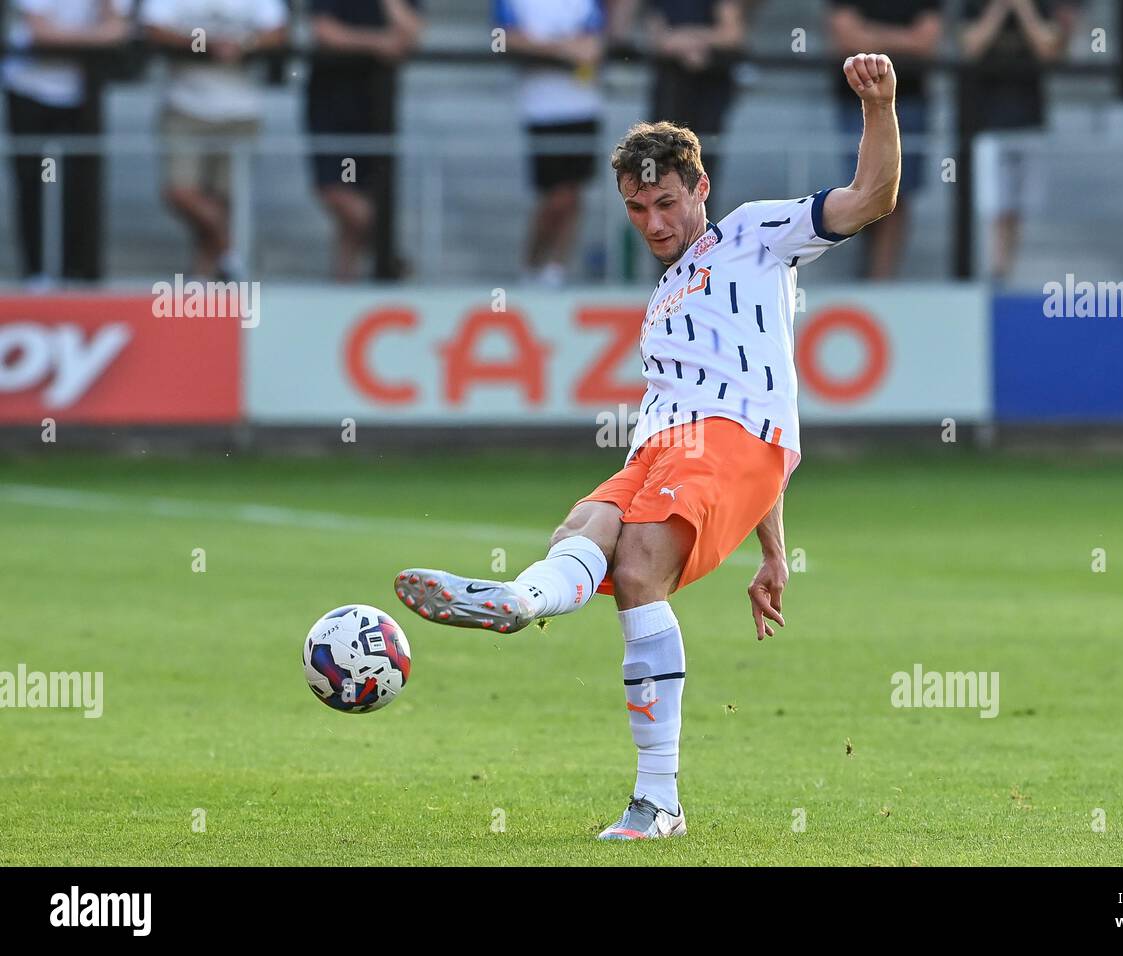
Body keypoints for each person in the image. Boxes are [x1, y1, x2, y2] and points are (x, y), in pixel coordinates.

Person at [393, 53, 899, 840]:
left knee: (637, 570)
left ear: (700, 187)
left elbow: (872, 197)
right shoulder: (664, 294)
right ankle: (518, 602)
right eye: (636, 208)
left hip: (728, 439)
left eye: (666, 201)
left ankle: (659, 801)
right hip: (661, 450)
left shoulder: (756, 234)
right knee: (582, 533)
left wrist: (880, 105)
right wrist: (773, 550)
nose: (654, 222)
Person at [141, 0, 288, 280]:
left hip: (240, 110)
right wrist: (204, 43)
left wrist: (243, 43)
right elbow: (152, 28)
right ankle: (233, 251)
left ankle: (203, 279)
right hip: (185, 105)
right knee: (180, 193)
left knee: (224, 200)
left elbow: (279, 32)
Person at [2, 0, 131, 286]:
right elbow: (39, 32)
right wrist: (89, 41)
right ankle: (38, 270)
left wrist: (75, 39)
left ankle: (82, 272)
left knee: (82, 182)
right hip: (30, 88)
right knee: (37, 179)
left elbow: (117, 29)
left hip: (80, 90)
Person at [960, 0, 1077, 282]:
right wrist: (999, 9)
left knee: (1021, 207)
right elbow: (971, 47)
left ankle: (1011, 272)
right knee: (994, 205)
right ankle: (995, 270)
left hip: (1030, 120)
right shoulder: (975, 5)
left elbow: (1049, 50)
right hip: (988, 122)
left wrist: (1023, 9)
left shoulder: (1040, 5)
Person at [306, 0, 423, 282]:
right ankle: (388, 253)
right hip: (332, 103)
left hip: (378, 108)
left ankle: (345, 286)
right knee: (338, 191)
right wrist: (378, 43)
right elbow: (324, 32)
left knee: (356, 214)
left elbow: (412, 34)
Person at [493, 0, 605, 287]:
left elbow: (594, 43)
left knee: (572, 194)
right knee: (554, 198)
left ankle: (555, 270)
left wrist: (542, 45)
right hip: (540, 107)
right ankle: (532, 266)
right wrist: (563, 50)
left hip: (582, 104)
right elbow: (504, 39)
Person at [826, 0, 940, 279]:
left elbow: (926, 41)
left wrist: (871, 42)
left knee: (895, 193)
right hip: (853, 99)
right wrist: (902, 41)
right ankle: (863, 273)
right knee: (857, 189)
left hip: (908, 101)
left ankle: (880, 279)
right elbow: (846, 36)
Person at [641, 0, 746, 192]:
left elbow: (732, 34)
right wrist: (697, 43)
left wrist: (685, 40)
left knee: (703, 164)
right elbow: (658, 39)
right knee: (662, 159)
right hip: (671, 91)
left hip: (709, 90)